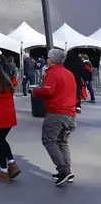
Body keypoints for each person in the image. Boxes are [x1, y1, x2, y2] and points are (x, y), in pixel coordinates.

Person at [32, 49, 77, 186]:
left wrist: (35, 91)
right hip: (70, 113)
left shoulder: (52, 73)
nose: (46, 59)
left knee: (48, 140)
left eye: (48, 57)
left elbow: (48, 91)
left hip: (56, 112)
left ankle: (63, 170)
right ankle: (67, 170)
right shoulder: (69, 73)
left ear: (51, 59)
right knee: (62, 142)